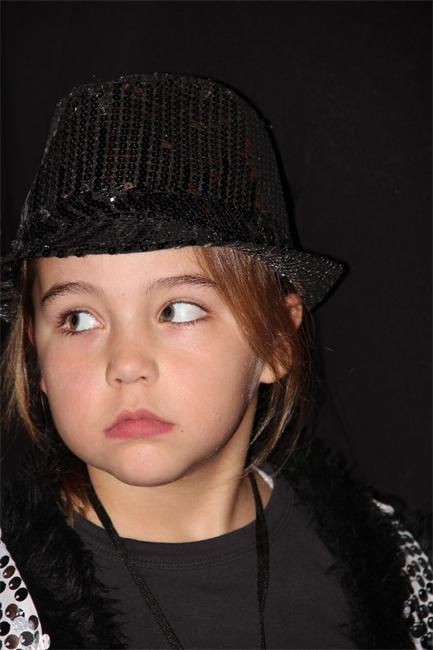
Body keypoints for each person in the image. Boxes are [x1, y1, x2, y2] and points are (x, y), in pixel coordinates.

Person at [0, 73, 431, 650]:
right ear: (35, 355)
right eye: (78, 319)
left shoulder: (397, 573)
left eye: (178, 310)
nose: (127, 364)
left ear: (275, 340)